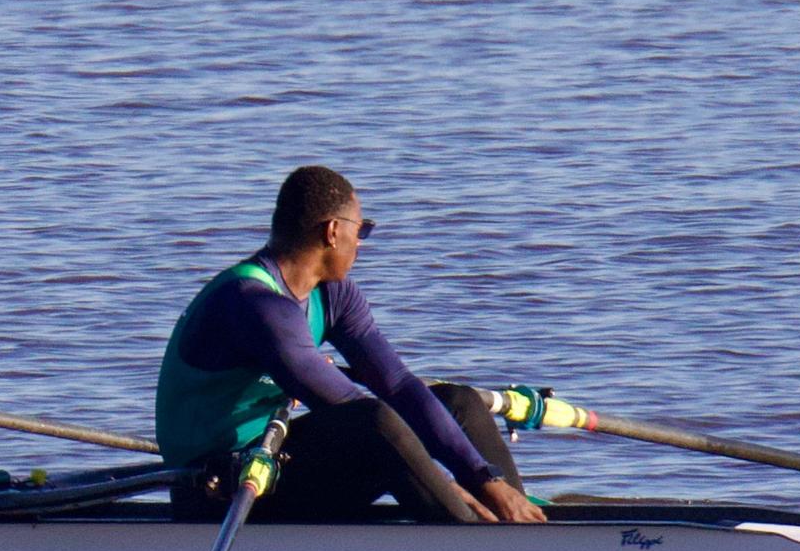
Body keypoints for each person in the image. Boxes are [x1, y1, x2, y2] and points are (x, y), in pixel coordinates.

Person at [155, 165, 546, 524]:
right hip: (220, 490)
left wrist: (482, 477)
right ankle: (472, 544)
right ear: (331, 232)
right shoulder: (254, 303)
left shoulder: (335, 295)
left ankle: (515, 520)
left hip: (274, 459)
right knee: (372, 423)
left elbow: (398, 384)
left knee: (459, 403)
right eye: (362, 230)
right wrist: (444, 482)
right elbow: (352, 409)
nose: (361, 242)